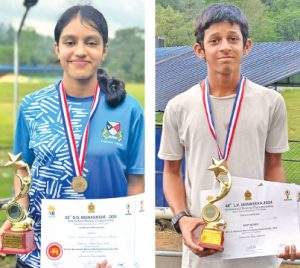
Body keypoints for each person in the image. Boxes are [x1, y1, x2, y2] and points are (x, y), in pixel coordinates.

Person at [0, 5, 144, 268]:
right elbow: (23, 170)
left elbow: (136, 181)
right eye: (70, 42)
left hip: (105, 258)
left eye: (91, 42)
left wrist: (127, 247)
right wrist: (19, 216)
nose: (80, 51)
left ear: (104, 50)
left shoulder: (128, 109)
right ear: (57, 49)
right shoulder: (32, 106)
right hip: (40, 257)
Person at [158, 3, 289, 268]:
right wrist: (182, 219)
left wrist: (282, 226)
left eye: (233, 38)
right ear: (200, 50)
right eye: (214, 40)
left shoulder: (271, 102)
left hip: (256, 245)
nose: (225, 46)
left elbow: (274, 166)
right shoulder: (179, 106)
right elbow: (171, 172)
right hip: (202, 245)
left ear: (247, 46)